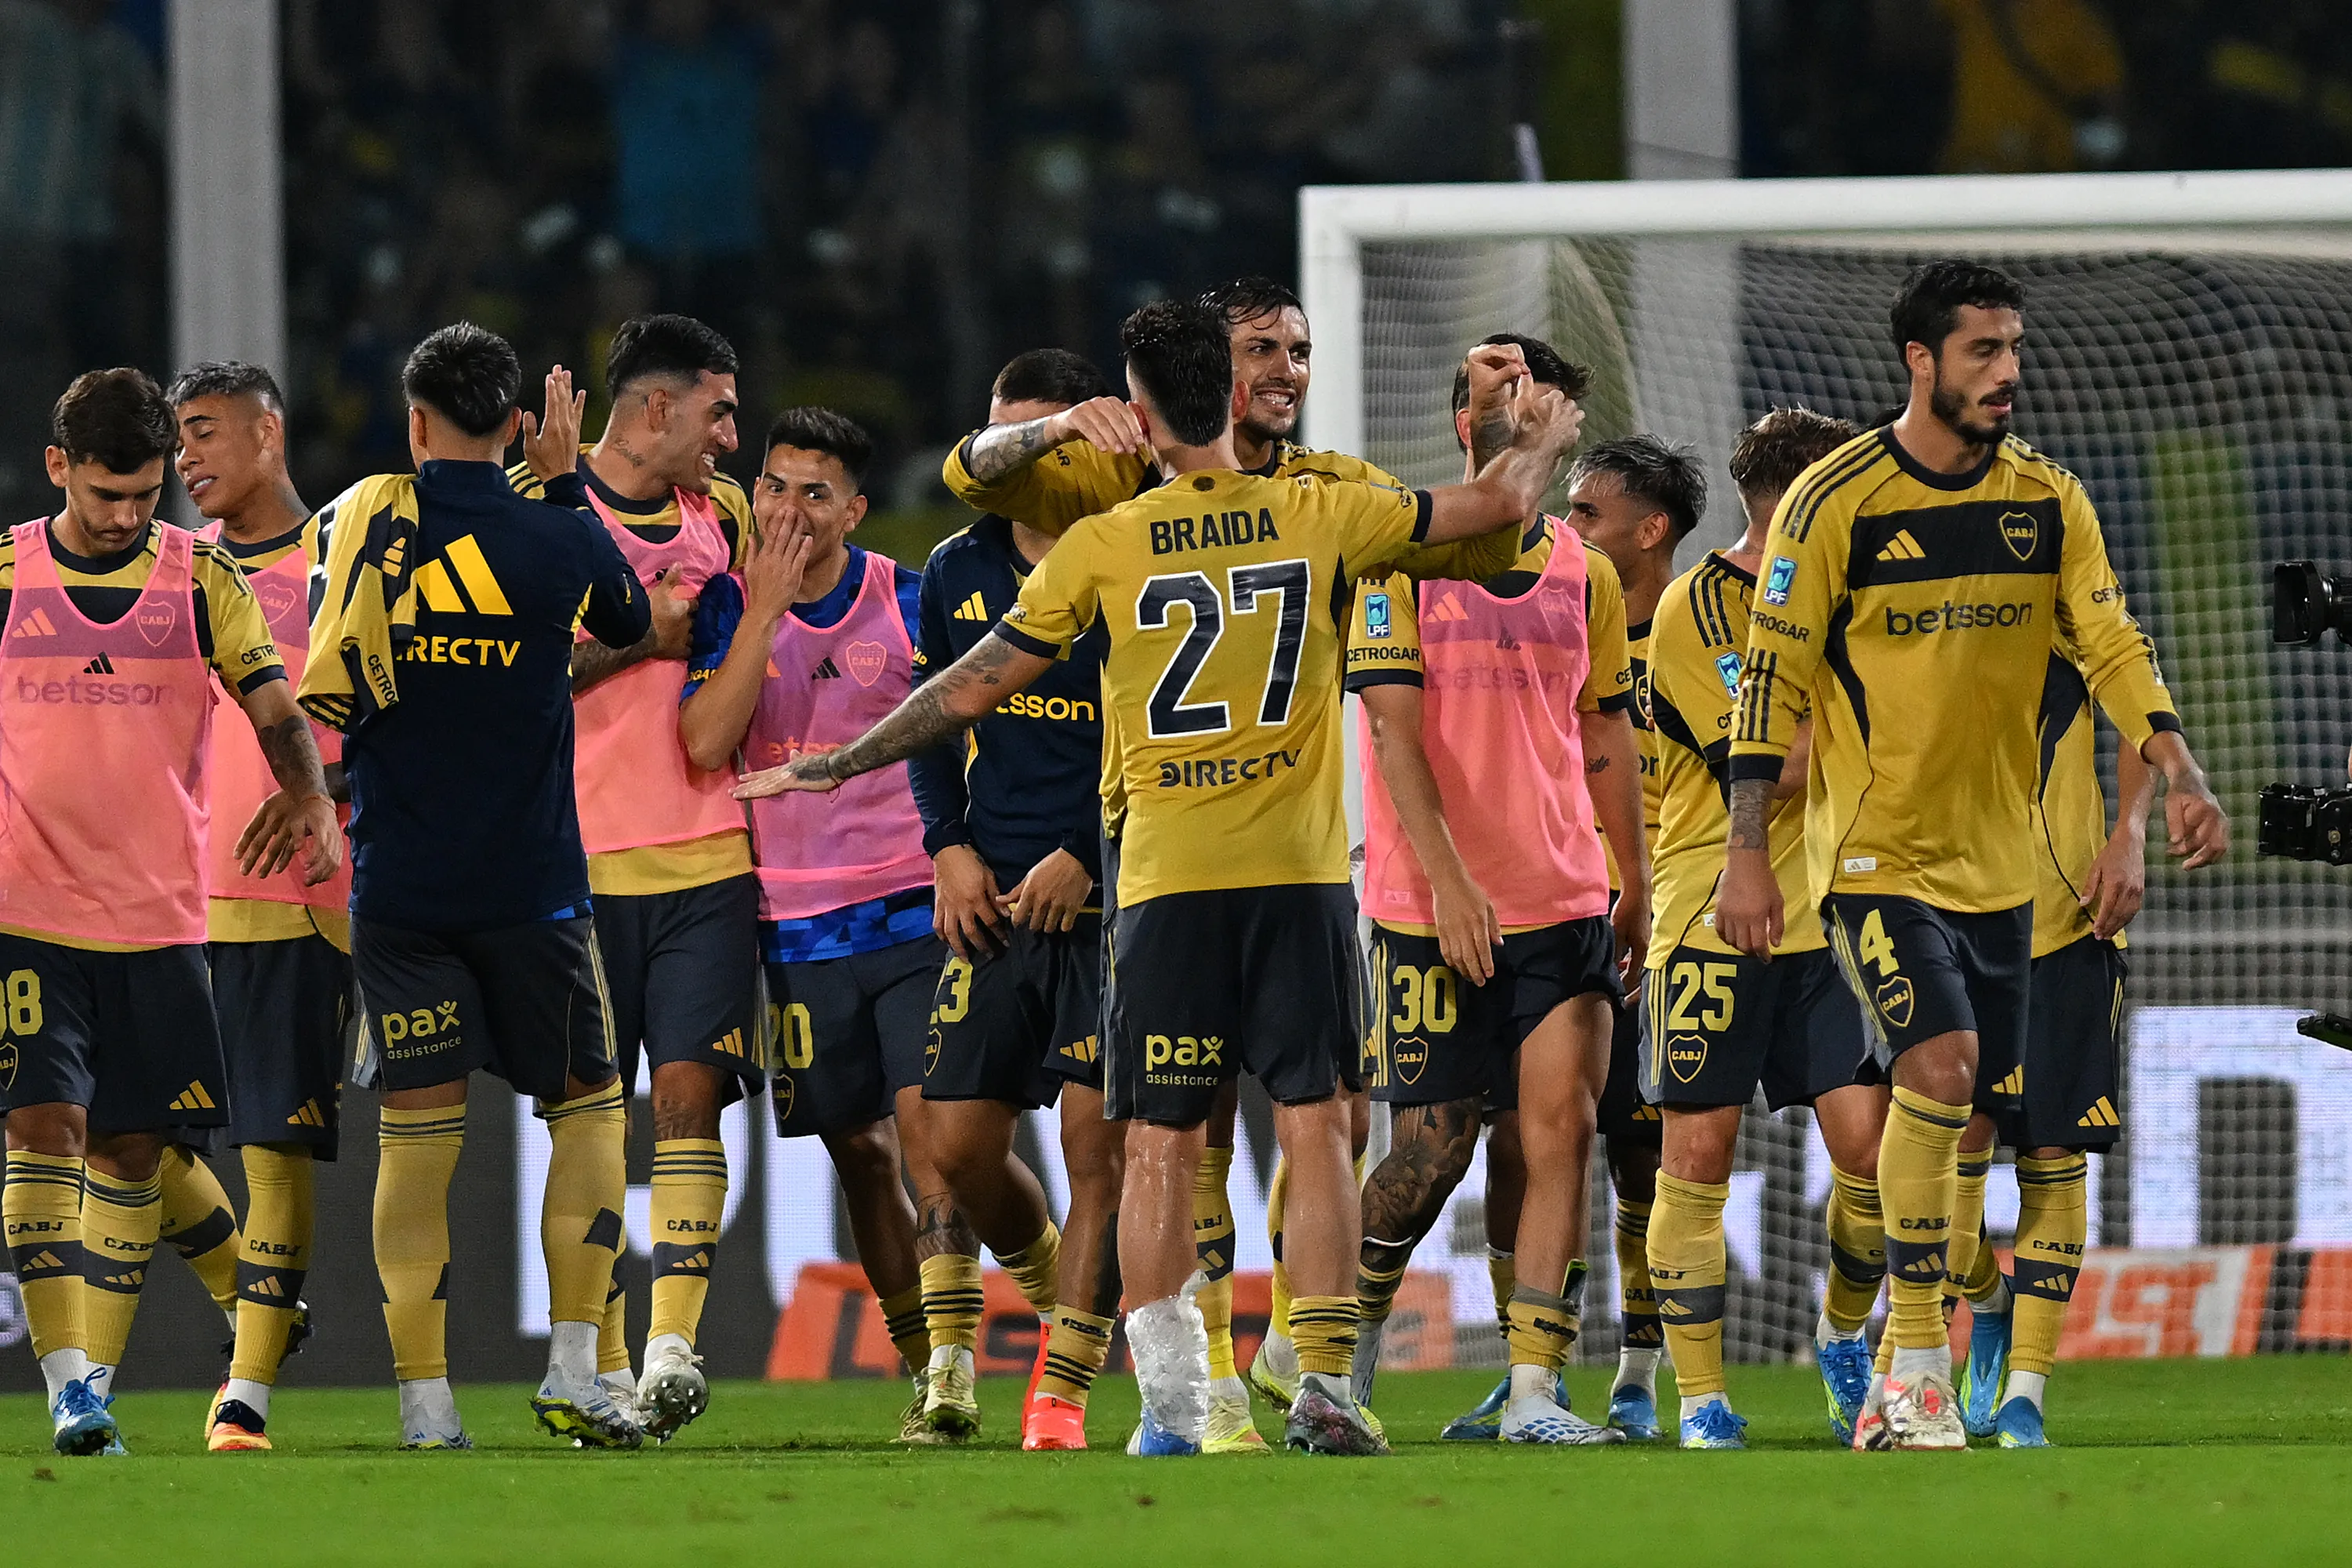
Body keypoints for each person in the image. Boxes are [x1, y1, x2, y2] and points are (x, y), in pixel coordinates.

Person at [740, 298, 1581, 1457]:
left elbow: (969, 686)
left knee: (1158, 1144)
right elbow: (1498, 507)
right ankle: (1329, 1384)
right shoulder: (1326, 507)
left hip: (1164, 882)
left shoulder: (1110, 539)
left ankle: (1176, 1400)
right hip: (1295, 878)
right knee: (1318, 1127)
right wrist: (1538, 425)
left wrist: (839, 761)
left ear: (1138, 414)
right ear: (1229, 393)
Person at [941, 276, 1525, 1429]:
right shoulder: (1117, 475)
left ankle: (1285, 1373)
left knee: (1304, 1124)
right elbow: (970, 471)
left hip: (1269, 858)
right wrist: (1065, 422)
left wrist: (1498, 447)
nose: (1288, 371)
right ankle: (1199, 1387)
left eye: (1300, 350)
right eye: (1261, 349)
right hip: (1147, 856)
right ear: (1212, 370)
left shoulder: (1333, 490)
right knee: (1181, 1130)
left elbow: (1484, 542)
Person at [1719, 260, 2229, 1450]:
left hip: (2009, 872)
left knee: (1977, 1125)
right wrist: (1750, 855)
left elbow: (2111, 644)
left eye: (2014, 349)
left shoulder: (2049, 500)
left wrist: (2179, 770)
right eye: (1984, 351)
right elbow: (1772, 684)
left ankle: (1949, 1337)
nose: (2009, 372)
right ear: (1920, 361)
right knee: (1939, 1073)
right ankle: (1910, 1369)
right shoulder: (1833, 501)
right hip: (1872, 861)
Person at [299, 322, 651, 1451]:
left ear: (412, 424)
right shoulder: (550, 538)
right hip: (534, 887)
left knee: (417, 1139)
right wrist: (561, 486)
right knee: (589, 1109)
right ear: (514, 425)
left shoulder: (360, 531)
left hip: (401, 887)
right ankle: (573, 1368)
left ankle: (426, 1406)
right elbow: (633, 621)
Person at [0, 368, 339, 1458]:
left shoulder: (200, 581)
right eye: (108, 495)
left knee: (139, 1149)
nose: (130, 515)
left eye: (147, 494)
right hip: (28, 910)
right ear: (58, 469)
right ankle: (73, 1388)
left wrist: (311, 803)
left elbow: (277, 709)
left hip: (161, 919)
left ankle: (249, 1301)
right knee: (45, 1130)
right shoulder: (7, 573)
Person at [1346, 335, 1644, 1446]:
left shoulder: (1588, 573)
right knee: (1428, 1154)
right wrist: (1453, 884)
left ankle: (1532, 1394)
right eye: (1494, 393)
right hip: (1430, 907)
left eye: (1535, 396)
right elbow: (1394, 735)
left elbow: (1603, 729)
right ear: (1464, 425)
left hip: (1562, 896)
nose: (1513, 410)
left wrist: (1637, 875)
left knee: (1558, 1129)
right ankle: (1339, 1352)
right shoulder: (1392, 559)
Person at [675, 408, 956, 1442]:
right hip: (793, 928)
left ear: (857, 510)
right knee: (860, 1155)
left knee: (935, 1139)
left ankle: (956, 1369)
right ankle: (922, 1358)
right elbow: (707, 740)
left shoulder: (911, 601)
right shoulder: (722, 608)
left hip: (915, 911)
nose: (791, 510)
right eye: (776, 488)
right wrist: (762, 613)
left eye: (816, 493)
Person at [510, 313, 762, 1440]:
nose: (732, 434)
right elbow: (503, 681)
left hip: (709, 852)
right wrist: (642, 640)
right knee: (591, 1121)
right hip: (574, 864)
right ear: (655, 409)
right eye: (719, 410)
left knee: (691, 1093)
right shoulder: (534, 509)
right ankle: (600, 1366)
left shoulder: (733, 515)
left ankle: (669, 1352)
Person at [1639, 406, 1898, 1450]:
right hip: (1715, 911)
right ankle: (1702, 1399)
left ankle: (1841, 1338)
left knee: (1876, 1159)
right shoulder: (1698, 608)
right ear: (1803, 503)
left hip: (1829, 923)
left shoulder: (1849, 600)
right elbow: (1770, 759)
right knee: (1698, 1157)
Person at [913, 350, 1125, 1453]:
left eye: (1035, 440)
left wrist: (1089, 851)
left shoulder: (1136, 553)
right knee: (952, 1148)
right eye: (1000, 440)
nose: (1011, 464)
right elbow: (932, 719)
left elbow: (1177, 735)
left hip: (1115, 902)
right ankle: (1052, 1287)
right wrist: (948, 847)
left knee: (1100, 1152)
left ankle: (1061, 1395)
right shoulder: (957, 566)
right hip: (991, 897)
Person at [169, 361, 349, 1452]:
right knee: (124, 1135)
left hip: (294, 902)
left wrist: (329, 796)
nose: (188, 458)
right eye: (179, 440)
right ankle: (257, 1303)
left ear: (268, 434)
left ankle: (246, 1396)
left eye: (204, 434)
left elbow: (392, 703)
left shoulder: (338, 563)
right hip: (168, 905)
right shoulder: (172, 574)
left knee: (272, 1149)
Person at [1969, 642, 2156, 1448]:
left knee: (2053, 1152)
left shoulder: (2083, 605)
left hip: (2067, 924)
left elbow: (2144, 710)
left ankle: (2027, 1393)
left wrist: (2131, 830)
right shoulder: (1920, 584)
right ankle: (1984, 1299)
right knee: (1943, 1166)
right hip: (1951, 921)